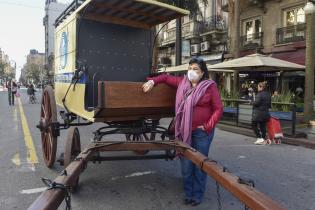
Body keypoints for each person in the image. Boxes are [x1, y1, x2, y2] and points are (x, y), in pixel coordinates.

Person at [142, 57, 223, 206]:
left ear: (203, 72)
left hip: (202, 133)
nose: (192, 72)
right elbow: (166, 78)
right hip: (184, 131)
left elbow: (218, 109)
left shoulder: (209, 86)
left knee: (200, 165)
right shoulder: (182, 82)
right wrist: (152, 81)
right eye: (190, 68)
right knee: (186, 165)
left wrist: (207, 126)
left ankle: (197, 195)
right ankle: (188, 193)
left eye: (196, 69)